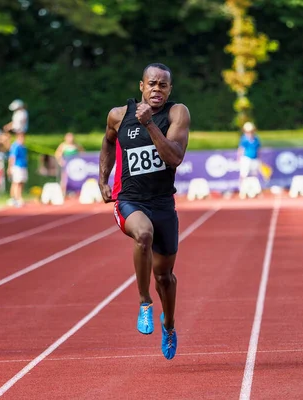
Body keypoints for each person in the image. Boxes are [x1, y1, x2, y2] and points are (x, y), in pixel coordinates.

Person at [98, 63, 191, 360]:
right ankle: (144, 303)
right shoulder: (118, 115)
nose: (157, 90)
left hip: (163, 203)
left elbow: (174, 158)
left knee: (165, 277)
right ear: (141, 86)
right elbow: (108, 141)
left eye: (163, 85)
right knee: (143, 234)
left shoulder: (177, 114)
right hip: (130, 199)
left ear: (170, 90)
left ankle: (169, 324)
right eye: (152, 84)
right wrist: (102, 177)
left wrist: (150, 124)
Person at [54, 132, 84, 196]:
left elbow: (83, 153)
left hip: (75, 166)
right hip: (66, 166)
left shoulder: (76, 145)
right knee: (64, 178)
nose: (70, 139)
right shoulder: (63, 145)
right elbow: (57, 154)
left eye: (71, 137)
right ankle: (63, 192)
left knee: (76, 178)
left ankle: (76, 191)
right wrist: (60, 161)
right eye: (69, 137)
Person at [7, 131, 28, 207]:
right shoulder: (15, 146)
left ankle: (19, 196)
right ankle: (14, 198)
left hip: (23, 166)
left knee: (21, 182)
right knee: (16, 182)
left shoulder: (23, 146)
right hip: (17, 166)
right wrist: (10, 167)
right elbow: (12, 157)